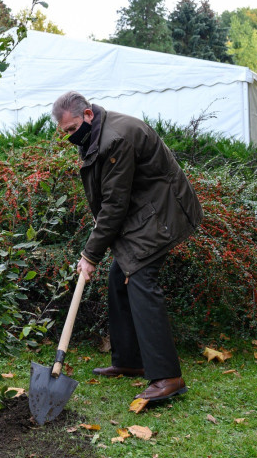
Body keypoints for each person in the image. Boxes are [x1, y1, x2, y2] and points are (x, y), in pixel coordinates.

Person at [51, 92, 202, 403]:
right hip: (143, 210)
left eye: (72, 129)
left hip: (163, 211)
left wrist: (90, 255)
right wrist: (93, 251)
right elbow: (110, 199)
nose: (69, 137)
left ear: (89, 115)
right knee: (119, 276)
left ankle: (167, 377)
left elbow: (115, 204)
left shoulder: (117, 138)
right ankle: (130, 360)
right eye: (64, 132)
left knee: (141, 281)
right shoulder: (97, 135)